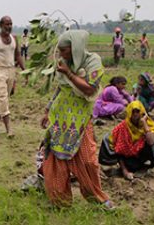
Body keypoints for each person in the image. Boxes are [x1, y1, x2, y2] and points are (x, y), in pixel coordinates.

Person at [40, 30, 114, 209]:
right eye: (60, 51)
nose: (61, 54)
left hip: (80, 119)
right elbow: (60, 88)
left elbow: (90, 88)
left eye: (64, 50)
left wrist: (69, 73)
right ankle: (60, 202)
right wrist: (48, 109)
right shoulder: (64, 63)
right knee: (57, 160)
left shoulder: (92, 61)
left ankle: (98, 199)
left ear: (75, 48)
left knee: (88, 160)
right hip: (60, 117)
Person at [99, 100, 154, 180]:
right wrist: (125, 171)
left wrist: (144, 124)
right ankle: (126, 170)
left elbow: (151, 141)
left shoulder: (148, 123)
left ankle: (146, 167)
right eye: (133, 112)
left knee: (152, 145)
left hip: (141, 155)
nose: (135, 114)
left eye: (137, 111)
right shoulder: (123, 127)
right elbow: (119, 152)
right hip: (128, 160)